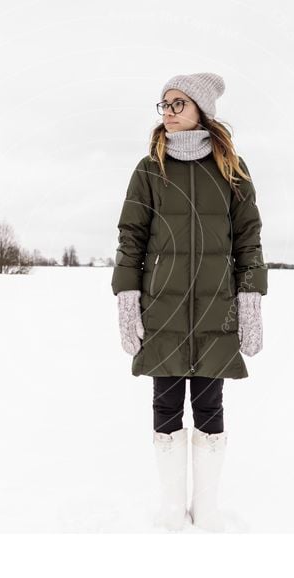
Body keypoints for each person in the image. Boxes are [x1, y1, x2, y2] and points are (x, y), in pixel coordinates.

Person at [111, 72, 267, 532]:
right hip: (162, 308)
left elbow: (248, 238)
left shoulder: (232, 170)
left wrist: (251, 297)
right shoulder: (149, 170)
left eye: (178, 103)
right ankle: (171, 508)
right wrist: (127, 295)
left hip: (217, 309)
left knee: (210, 405)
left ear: (202, 109)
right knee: (165, 404)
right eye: (164, 104)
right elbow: (131, 236)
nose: (169, 111)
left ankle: (207, 507)